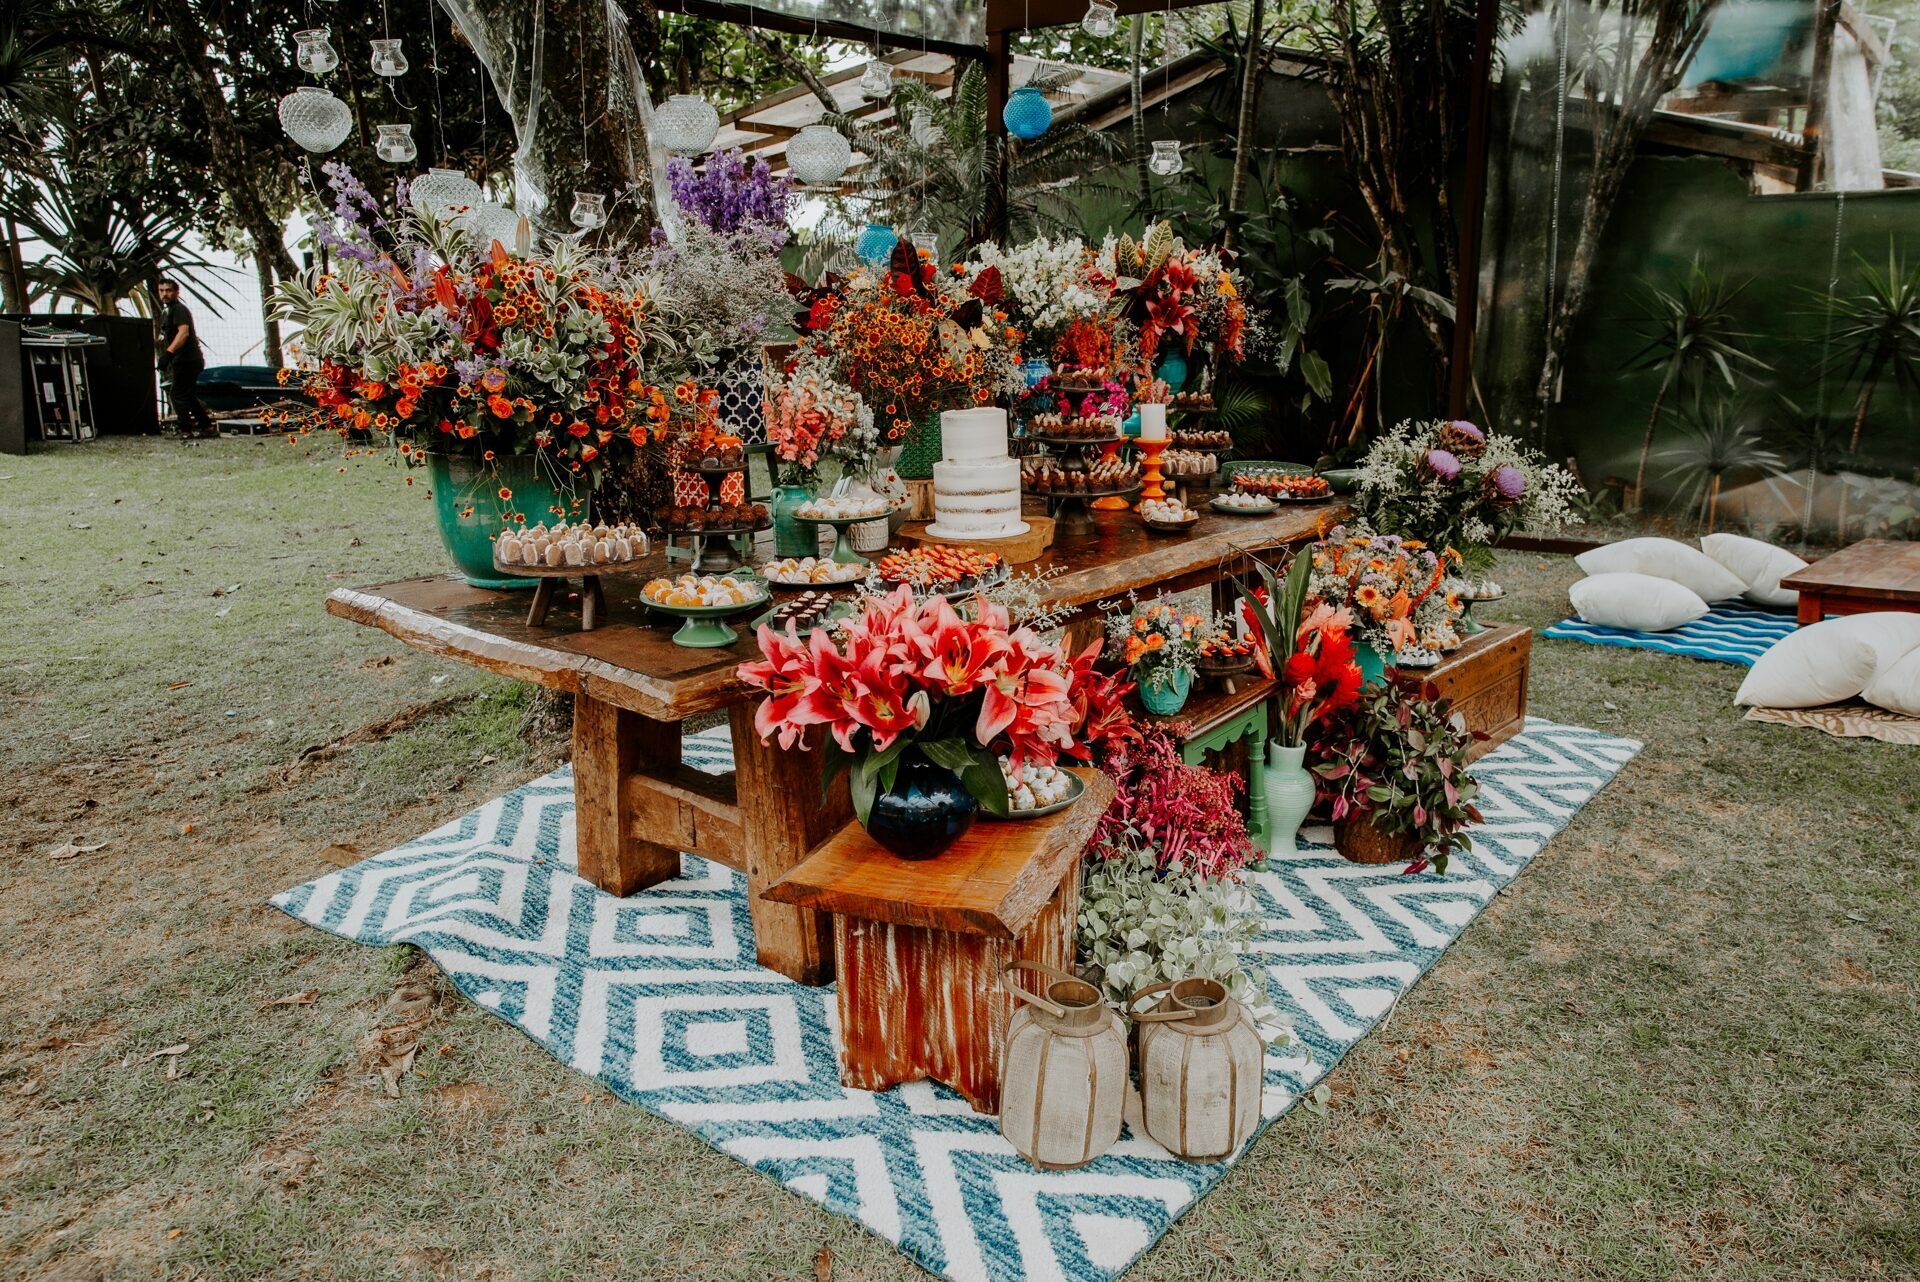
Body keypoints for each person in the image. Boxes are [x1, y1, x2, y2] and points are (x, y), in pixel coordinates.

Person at [156, 278, 216, 439]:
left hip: (188, 359)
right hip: (185, 359)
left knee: (177, 394)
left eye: (168, 290)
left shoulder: (179, 310)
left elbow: (184, 333)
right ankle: (207, 427)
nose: (164, 294)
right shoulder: (168, 311)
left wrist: (168, 353)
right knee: (187, 394)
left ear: (176, 292)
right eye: (161, 290)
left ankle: (185, 430)